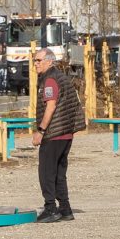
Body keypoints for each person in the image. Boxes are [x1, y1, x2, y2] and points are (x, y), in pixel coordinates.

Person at [30, 46, 86, 222]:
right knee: (59, 172)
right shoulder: (62, 77)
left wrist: (41, 131)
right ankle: (65, 208)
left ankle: (50, 208)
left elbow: (51, 106)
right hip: (66, 132)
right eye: (34, 61)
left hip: (54, 132)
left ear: (49, 61)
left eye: (38, 60)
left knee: (46, 171)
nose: (35, 64)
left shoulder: (50, 80)